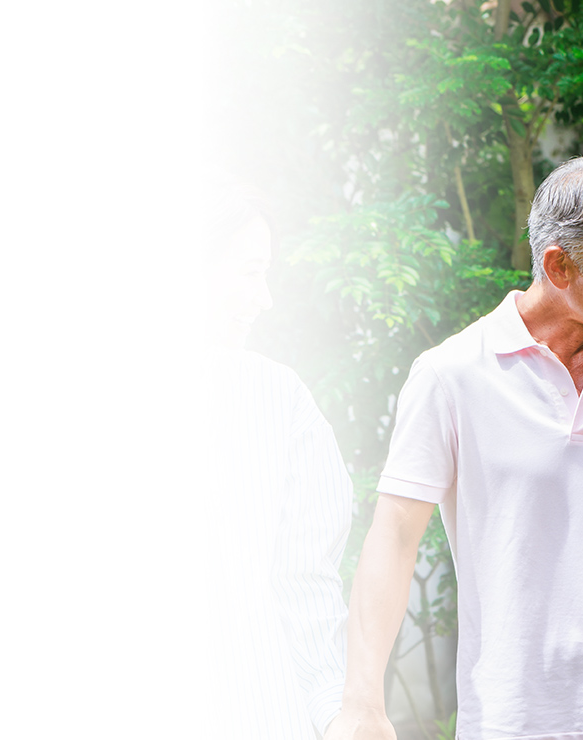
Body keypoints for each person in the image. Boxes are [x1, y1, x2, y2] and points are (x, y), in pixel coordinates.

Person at [329, 154, 583, 740]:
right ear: (560, 266)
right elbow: (394, 536)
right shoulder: (451, 374)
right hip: (507, 720)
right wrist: (362, 701)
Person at [204, 191, 353, 739]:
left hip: (257, 712)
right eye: (249, 272)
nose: (263, 299)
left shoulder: (276, 399)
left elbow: (305, 581)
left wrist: (338, 712)